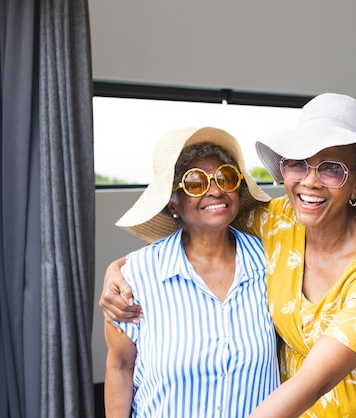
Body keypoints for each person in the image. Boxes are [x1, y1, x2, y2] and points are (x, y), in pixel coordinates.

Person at [101, 93, 356, 416]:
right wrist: (120, 270)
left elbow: (315, 381)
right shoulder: (275, 222)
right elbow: (204, 223)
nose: (310, 182)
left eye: (331, 169)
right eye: (298, 164)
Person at [103, 127, 280, 417]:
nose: (216, 189)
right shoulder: (135, 278)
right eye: (195, 182)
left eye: (226, 177)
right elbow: (120, 367)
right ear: (172, 202)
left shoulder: (271, 262)